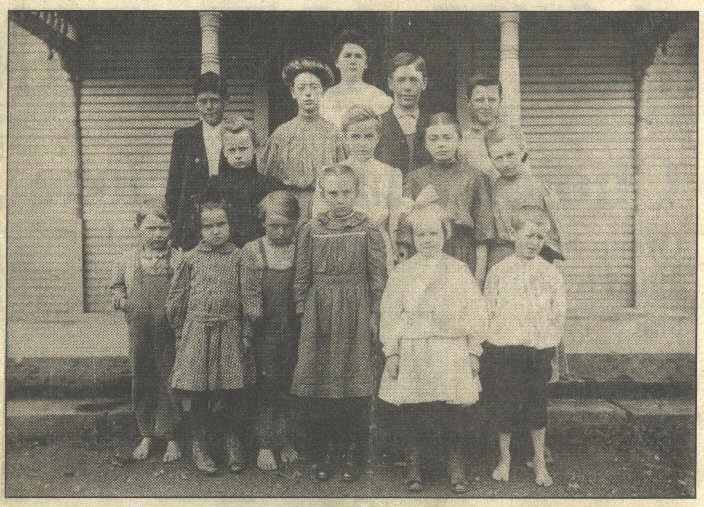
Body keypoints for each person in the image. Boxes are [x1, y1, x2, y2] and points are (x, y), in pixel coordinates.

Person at [378, 195, 487, 493]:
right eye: (421, 234)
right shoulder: (402, 272)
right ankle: (414, 462)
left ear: (445, 235)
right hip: (415, 347)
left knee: (453, 408)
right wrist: (393, 351)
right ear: (412, 238)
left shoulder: (458, 269)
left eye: (434, 234)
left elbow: (474, 311)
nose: (428, 240)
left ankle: (455, 462)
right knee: (414, 408)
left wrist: (473, 349)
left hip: (450, 348)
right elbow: (390, 314)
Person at [292, 164, 387, 482]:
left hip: (356, 309)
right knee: (322, 384)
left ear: (356, 192)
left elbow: (377, 277)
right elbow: (302, 274)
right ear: (322, 193)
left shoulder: (368, 228)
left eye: (347, 192)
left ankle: (355, 454)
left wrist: (375, 314)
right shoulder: (310, 229)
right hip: (320, 312)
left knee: (355, 383)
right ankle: (326, 453)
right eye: (333, 193)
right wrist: (303, 310)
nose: (340, 199)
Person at [167, 198, 256, 475]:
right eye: (209, 226)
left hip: (229, 330)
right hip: (197, 331)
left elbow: (249, 298)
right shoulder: (190, 259)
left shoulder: (240, 256)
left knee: (229, 391)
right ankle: (200, 444)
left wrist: (246, 332)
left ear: (230, 224)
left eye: (221, 224)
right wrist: (181, 333)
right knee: (196, 392)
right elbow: (177, 298)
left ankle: (231, 441)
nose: (216, 231)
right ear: (200, 230)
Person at [482, 205, 567, 487]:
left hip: (537, 351)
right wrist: (491, 347)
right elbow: (488, 312)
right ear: (513, 234)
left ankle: (539, 461)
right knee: (503, 404)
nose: (534, 243)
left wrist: (550, 353)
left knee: (536, 406)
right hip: (504, 350)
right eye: (529, 236)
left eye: (540, 238)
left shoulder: (550, 274)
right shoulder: (499, 271)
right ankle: (504, 459)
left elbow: (557, 317)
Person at [110, 199, 182, 463]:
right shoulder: (127, 260)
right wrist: (123, 302)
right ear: (137, 228)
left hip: (170, 331)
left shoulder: (179, 258)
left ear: (170, 228)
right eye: (150, 228)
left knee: (170, 378)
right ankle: (147, 433)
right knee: (142, 377)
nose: (157, 234)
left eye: (163, 228)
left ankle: (172, 436)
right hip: (139, 331)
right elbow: (116, 288)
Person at [241, 191, 301, 471]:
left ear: (296, 223)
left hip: (295, 327)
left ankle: (286, 439)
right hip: (264, 329)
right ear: (263, 223)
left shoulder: (301, 247)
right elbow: (249, 292)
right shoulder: (253, 250)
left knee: (290, 384)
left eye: (286, 225)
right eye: (272, 225)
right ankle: (265, 444)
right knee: (266, 386)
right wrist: (253, 324)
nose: (279, 231)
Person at [403, 112, 495, 274]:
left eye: (447, 137)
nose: (441, 144)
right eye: (434, 139)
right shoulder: (414, 178)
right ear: (425, 143)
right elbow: (404, 231)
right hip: (424, 254)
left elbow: (483, 235)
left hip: (462, 253)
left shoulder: (476, 177)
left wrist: (479, 280)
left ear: (459, 140)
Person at [313, 105, 402, 269]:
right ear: (344, 137)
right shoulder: (329, 173)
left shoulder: (391, 174)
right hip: (340, 247)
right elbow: (318, 218)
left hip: (378, 249)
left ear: (378, 137)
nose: (362, 143)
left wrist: (397, 255)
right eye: (355, 136)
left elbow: (394, 222)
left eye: (368, 136)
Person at [260, 57, 346, 221]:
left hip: (326, 205)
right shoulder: (282, 134)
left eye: (314, 87)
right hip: (289, 206)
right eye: (301, 88)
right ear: (293, 92)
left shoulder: (334, 133)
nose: (308, 93)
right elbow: (266, 178)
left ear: (322, 91)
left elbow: (344, 176)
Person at [482, 125, 565, 274]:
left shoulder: (540, 190)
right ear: (490, 158)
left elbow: (551, 241)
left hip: (533, 263)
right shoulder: (490, 189)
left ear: (522, 150)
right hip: (499, 263)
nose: (506, 163)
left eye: (511, 155)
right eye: (498, 158)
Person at [165, 72, 228, 250]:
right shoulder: (184, 137)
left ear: (226, 101)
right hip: (192, 222)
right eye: (203, 101)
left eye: (214, 100)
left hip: (228, 220)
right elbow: (174, 186)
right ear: (195, 103)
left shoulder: (237, 133)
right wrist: (175, 226)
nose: (209, 107)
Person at [209, 115, 283, 248]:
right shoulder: (215, 185)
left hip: (260, 249)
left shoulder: (268, 186)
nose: (237, 155)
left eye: (243, 149)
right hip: (226, 249)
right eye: (232, 150)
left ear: (254, 148)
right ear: (224, 152)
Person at [375, 52, 432, 176]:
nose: (407, 87)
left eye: (413, 80)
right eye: (401, 80)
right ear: (390, 83)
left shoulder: (433, 124)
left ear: (424, 83)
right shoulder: (377, 124)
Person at [320, 29, 392, 127]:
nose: (353, 61)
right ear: (337, 62)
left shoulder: (377, 96)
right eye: (347, 56)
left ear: (366, 63)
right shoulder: (327, 97)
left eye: (358, 56)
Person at [458, 74, 526, 177]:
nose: (486, 106)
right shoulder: (462, 140)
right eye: (480, 100)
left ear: (500, 101)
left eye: (492, 100)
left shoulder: (514, 133)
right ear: (468, 102)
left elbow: (525, 175)